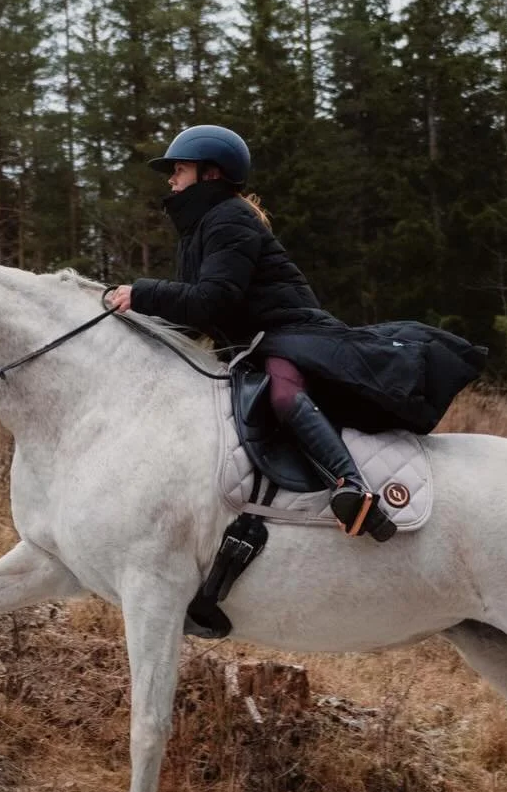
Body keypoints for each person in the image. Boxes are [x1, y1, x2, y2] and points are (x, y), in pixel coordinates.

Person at [106, 124, 485, 540]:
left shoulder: (229, 218)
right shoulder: (199, 229)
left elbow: (215, 298)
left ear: (210, 174)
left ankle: (351, 486)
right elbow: (196, 316)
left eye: (179, 169)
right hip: (256, 341)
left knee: (283, 394)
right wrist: (132, 321)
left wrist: (142, 293)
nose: (171, 179)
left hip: (289, 333)